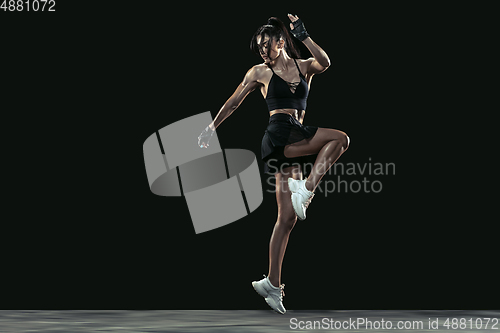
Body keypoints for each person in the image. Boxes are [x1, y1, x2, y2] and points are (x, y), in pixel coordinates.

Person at [198, 14, 349, 314]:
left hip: (295, 134)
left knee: (288, 218)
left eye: (267, 46)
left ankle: (272, 284)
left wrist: (304, 36)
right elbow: (234, 101)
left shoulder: (303, 67)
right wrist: (212, 127)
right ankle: (306, 188)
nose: (263, 52)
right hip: (279, 135)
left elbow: (326, 62)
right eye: (259, 48)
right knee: (341, 140)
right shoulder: (258, 73)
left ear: (281, 43)